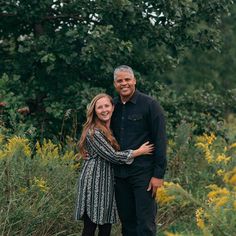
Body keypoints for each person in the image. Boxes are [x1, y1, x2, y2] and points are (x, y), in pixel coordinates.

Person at [75, 93, 154, 236]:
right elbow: (112, 156)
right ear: (94, 111)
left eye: (107, 106)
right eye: (100, 107)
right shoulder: (94, 131)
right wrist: (139, 152)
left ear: (113, 107)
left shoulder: (110, 128)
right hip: (95, 181)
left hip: (107, 181)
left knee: (105, 225)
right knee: (91, 224)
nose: (104, 110)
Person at [111, 65, 167, 236]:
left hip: (144, 174)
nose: (124, 83)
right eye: (120, 81)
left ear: (134, 80)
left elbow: (160, 140)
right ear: (115, 84)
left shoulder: (150, 105)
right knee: (127, 223)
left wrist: (158, 175)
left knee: (145, 223)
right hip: (120, 175)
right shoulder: (112, 107)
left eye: (127, 79)